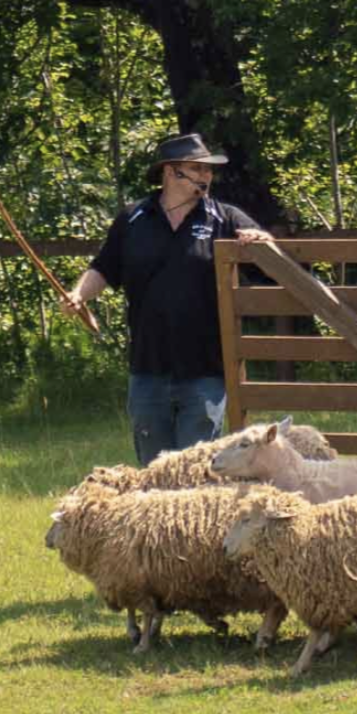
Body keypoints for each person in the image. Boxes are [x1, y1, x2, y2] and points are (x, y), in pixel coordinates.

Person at [64, 132, 273, 465]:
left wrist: (261, 243)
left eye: (209, 170)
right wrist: (78, 294)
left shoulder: (225, 218)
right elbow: (104, 268)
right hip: (148, 368)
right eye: (198, 169)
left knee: (196, 472)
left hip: (207, 369)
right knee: (153, 472)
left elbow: (271, 265)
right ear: (171, 172)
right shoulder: (132, 219)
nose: (207, 176)